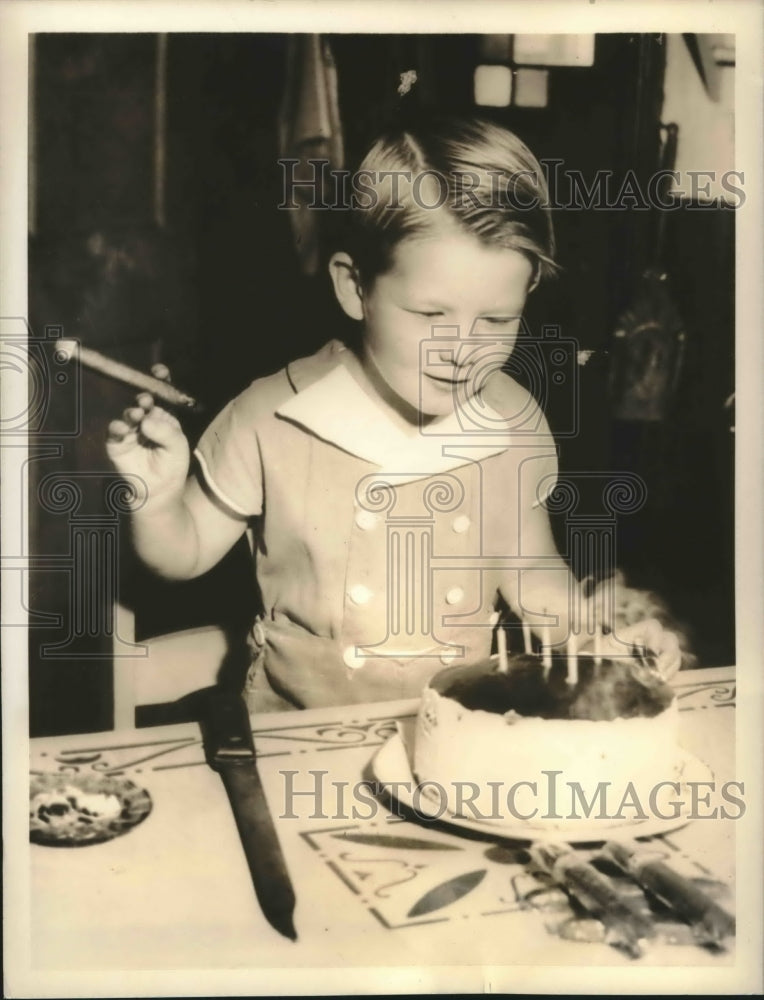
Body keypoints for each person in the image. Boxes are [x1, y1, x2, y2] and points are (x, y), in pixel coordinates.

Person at [107, 115, 682, 711]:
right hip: (296, 746)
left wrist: (602, 632)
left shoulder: (512, 422)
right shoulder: (270, 417)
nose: (462, 351)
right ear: (355, 287)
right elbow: (183, 554)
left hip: (456, 732)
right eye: (431, 316)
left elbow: (535, 578)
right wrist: (158, 499)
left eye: (497, 320)